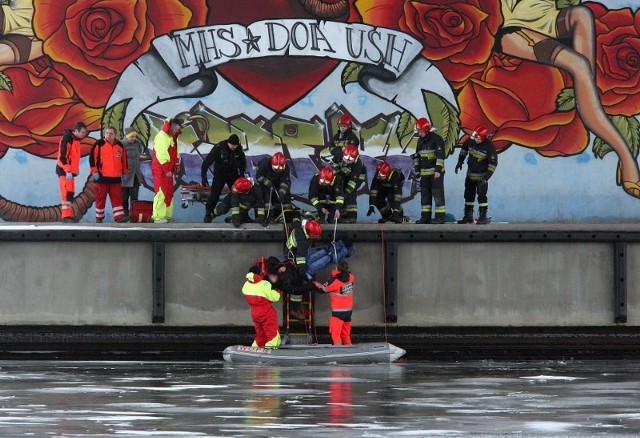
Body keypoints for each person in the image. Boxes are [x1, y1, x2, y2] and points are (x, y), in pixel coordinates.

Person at [497, 0, 640, 199]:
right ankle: (626, 158)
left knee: (582, 13)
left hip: (550, 23)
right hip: (517, 31)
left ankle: (587, 97)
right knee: (579, 64)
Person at [455, 125, 498, 225]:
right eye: (475, 137)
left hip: (481, 177)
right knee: (468, 196)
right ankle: (468, 216)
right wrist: (459, 162)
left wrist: (486, 178)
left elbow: (493, 164)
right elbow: (464, 150)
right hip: (470, 175)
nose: (475, 139)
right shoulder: (471, 141)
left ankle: (483, 217)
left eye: (477, 138)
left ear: (483, 138)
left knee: (482, 197)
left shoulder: (489, 146)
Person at [201, 134, 246, 223]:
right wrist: (203, 176)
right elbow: (206, 162)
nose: (233, 147)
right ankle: (208, 213)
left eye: (235, 146)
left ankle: (242, 215)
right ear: (228, 143)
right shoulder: (219, 148)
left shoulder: (239, 150)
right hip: (219, 175)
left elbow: (242, 164)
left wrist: (242, 176)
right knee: (214, 194)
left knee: (239, 193)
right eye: (232, 145)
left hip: (232, 175)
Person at [89, 126, 129, 223]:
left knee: (117, 199)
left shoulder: (120, 145)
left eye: (111, 133)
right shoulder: (99, 144)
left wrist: (125, 172)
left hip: (115, 179)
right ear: (104, 134)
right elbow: (92, 159)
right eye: (107, 133)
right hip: (102, 178)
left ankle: (119, 218)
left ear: (115, 135)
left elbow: (124, 160)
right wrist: (94, 171)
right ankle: (99, 218)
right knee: (100, 199)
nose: (108, 135)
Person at [242, 258, 282, 349]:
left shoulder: (246, 285)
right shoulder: (264, 284)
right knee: (271, 331)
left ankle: (256, 346)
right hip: (266, 312)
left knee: (260, 332)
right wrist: (279, 291)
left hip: (255, 313)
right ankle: (272, 347)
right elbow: (275, 298)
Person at [313, 260, 354, 346]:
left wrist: (315, 283)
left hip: (338, 313)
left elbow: (321, 290)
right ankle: (350, 350)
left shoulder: (334, 281)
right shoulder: (351, 277)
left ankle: (338, 351)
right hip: (348, 312)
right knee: (345, 334)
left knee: (335, 335)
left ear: (337, 269)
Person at [414, 117, 446, 224]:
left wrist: (438, 171)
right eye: (418, 131)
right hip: (424, 174)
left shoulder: (437, 139)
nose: (419, 133)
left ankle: (440, 217)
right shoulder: (420, 141)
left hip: (435, 174)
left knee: (437, 195)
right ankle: (425, 217)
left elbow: (440, 156)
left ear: (426, 129)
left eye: (420, 131)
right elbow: (417, 156)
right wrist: (417, 170)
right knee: (425, 196)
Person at [55, 122, 88, 223]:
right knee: (66, 193)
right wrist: (68, 170)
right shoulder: (67, 139)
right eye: (82, 132)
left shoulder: (75, 140)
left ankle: (69, 215)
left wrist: (74, 170)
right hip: (64, 171)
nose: (84, 134)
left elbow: (73, 158)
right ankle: (66, 216)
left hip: (69, 172)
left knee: (69, 193)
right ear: (76, 131)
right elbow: (63, 157)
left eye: (85, 132)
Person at [151, 117, 182, 224]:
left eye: (178, 129)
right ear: (171, 127)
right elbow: (161, 154)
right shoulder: (162, 137)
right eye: (176, 129)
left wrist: (177, 164)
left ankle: (167, 216)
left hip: (168, 170)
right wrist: (167, 168)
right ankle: (158, 217)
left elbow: (176, 152)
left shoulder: (172, 137)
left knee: (169, 193)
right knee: (161, 192)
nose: (177, 131)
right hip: (161, 170)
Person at [332, 145, 366, 223]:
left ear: (355, 159)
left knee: (350, 193)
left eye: (349, 160)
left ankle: (351, 217)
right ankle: (342, 214)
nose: (347, 161)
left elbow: (353, 182)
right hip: (344, 173)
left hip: (357, 178)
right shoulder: (338, 153)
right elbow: (334, 163)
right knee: (339, 190)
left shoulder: (358, 164)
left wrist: (346, 193)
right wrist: (338, 171)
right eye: (345, 159)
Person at [120, 127, 149, 218]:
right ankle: (124, 215)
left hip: (135, 175)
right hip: (124, 175)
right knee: (124, 197)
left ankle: (134, 215)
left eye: (135, 136)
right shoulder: (121, 144)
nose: (134, 138)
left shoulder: (137, 144)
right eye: (131, 137)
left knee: (134, 197)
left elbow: (139, 156)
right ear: (127, 136)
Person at [255, 152, 292, 222]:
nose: (278, 170)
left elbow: (285, 182)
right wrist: (267, 182)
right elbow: (258, 176)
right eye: (275, 168)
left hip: (278, 184)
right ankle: (266, 217)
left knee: (285, 196)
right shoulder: (265, 163)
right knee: (266, 197)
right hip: (265, 185)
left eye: (281, 168)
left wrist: (281, 193)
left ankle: (285, 217)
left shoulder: (286, 168)